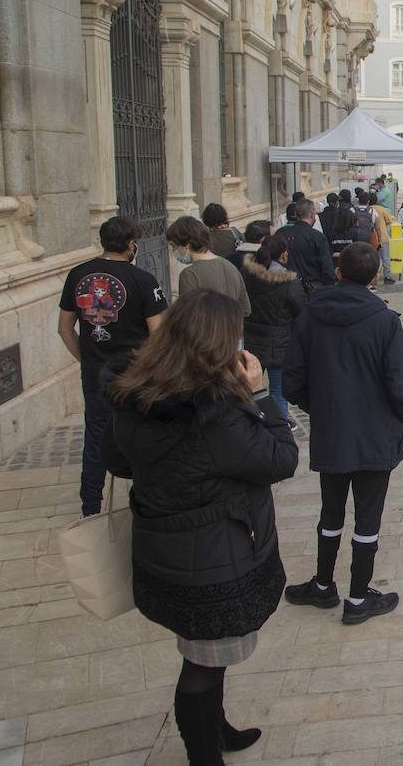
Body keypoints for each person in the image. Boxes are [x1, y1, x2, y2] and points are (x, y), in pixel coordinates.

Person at [103, 289, 297, 766]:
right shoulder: (214, 413)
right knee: (201, 668)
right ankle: (203, 757)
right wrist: (261, 396)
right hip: (211, 561)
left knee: (203, 657)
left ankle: (217, 730)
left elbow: (115, 459)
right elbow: (279, 459)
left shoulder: (136, 393)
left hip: (163, 551)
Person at [284, 243, 403, 624]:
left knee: (331, 511)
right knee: (367, 518)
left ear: (340, 273)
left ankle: (325, 584)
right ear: (375, 276)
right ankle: (357, 598)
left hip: (333, 430)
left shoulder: (310, 317)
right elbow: (401, 384)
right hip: (375, 434)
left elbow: (292, 382)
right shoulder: (385, 321)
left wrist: (323, 408)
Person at [57, 216, 167, 516]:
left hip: (96, 373)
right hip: (137, 373)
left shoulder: (78, 275)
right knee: (144, 433)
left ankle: (90, 505)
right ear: (132, 243)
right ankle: (147, 497)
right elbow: (158, 333)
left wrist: (87, 358)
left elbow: (65, 328)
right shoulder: (143, 280)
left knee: (96, 436)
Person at [241, 234, 305, 427]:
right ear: (284, 255)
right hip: (280, 344)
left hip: (251, 341)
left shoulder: (246, 275)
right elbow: (301, 312)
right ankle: (279, 427)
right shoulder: (289, 283)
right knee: (278, 391)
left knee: (249, 388)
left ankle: (252, 425)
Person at [168, 216, 251, 318]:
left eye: (174, 246)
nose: (173, 251)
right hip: (233, 331)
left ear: (187, 245)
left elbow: (187, 317)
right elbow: (246, 310)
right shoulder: (230, 266)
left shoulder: (189, 274)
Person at [277, 199, 334, 293]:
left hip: (285, 287)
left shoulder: (280, 234)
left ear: (295, 214)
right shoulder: (317, 237)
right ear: (312, 214)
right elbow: (327, 268)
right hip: (313, 288)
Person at [367, 193, 397, 285]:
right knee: (385, 258)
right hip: (383, 237)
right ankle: (387, 276)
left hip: (370, 238)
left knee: (372, 259)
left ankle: (372, 277)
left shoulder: (367, 210)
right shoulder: (381, 209)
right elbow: (389, 221)